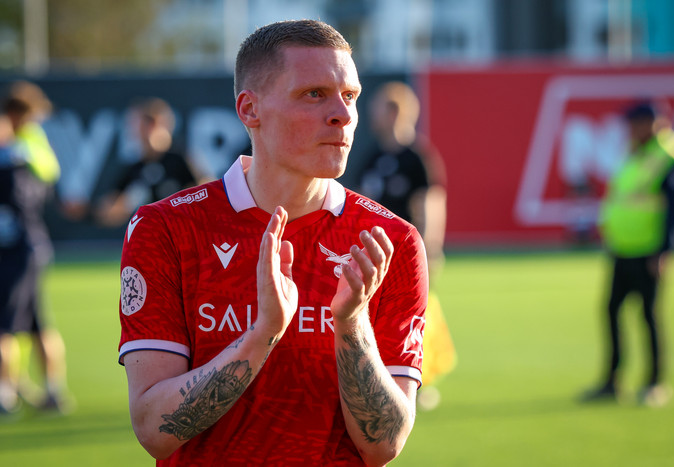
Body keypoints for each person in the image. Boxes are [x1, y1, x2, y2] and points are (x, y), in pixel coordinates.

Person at [118, 20, 427, 466]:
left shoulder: (390, 240)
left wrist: (351, 324)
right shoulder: (165, 228)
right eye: (314, 94)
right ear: (250, 109)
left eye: (350, 96)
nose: (342, 115)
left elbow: (384, 446)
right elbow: (154, 431)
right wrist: (262, 334)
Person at [581, 101, 674, 407]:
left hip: (648, 251)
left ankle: (655, 384)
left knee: (649, 316)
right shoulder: (635, 152)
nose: (630, 130)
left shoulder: (668, 156)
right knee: (611, 311)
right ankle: (612, 381)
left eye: (634, 124)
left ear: (651, 123)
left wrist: (665, 251)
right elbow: (623, 197)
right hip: (623, 248)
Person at [358, 81, 456, 410]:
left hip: (404, 256)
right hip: (375, 254)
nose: (370, 114)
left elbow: (430, 205)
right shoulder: (372, 157)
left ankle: (415, 383)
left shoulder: (417, 158)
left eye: (377, 107)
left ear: (394, 111)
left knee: (409, 322)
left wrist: (430, 250)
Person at [0, 81, 71, 414]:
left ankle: (6, 396)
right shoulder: (31, 150)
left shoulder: (16, 153)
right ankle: (51, 392)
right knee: (37, 323)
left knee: (5, 325)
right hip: (32, 243)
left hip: (15, 248)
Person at [95, 97, 198, 226]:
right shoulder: (135, 168)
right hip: (153, 235)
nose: (133, 130)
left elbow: (205, 195)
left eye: (137, 124)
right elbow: (111, 210)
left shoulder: (181, 160)